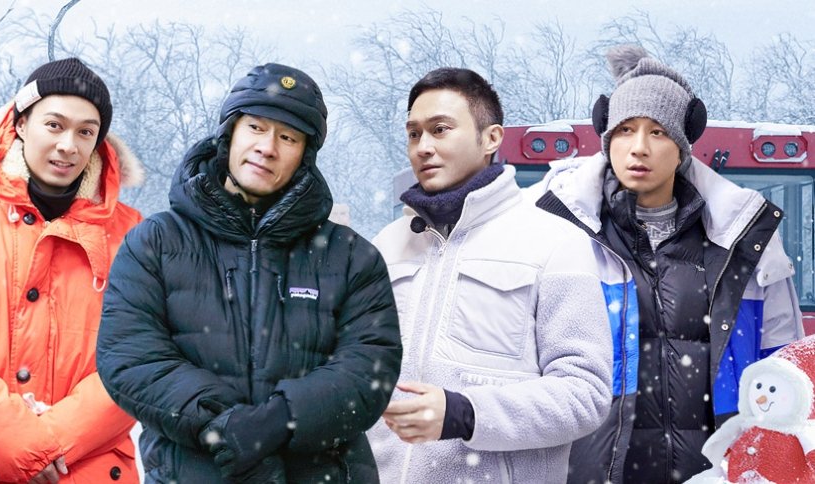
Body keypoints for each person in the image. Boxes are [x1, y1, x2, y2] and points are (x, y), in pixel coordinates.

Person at [96, 63, 402, 483]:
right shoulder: (155, 242)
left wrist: (281, 420)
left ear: (304, 155)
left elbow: (369, 366)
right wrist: (223, 428)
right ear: (229, 134)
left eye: (288, 137)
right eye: (256, 127)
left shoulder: (350, 256)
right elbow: (130, 356)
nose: (267, 147)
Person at [528, 45, 805, 483]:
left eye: (658, 132)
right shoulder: (555, 235)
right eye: (624, 130)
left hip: (716, 473)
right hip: (588, 471)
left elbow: (789, 374)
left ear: (682, 148)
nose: (639, 147)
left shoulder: (744, 241)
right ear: (607, 140)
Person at [368, 67, 613, 483]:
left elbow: (584, 394)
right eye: (413, 134)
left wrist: (466, 413)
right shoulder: (386, 247)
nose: (423, 147)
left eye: (440, 129)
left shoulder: (556, 244)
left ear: (491, 138)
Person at [0, 58, 143, 483]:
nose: (68, 145)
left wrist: (50, 442)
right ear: (21, 123)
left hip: (89, 466)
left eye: (86, 132)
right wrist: (10, 439)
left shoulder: (135, 236)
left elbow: (142, 356)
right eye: (54, 125)